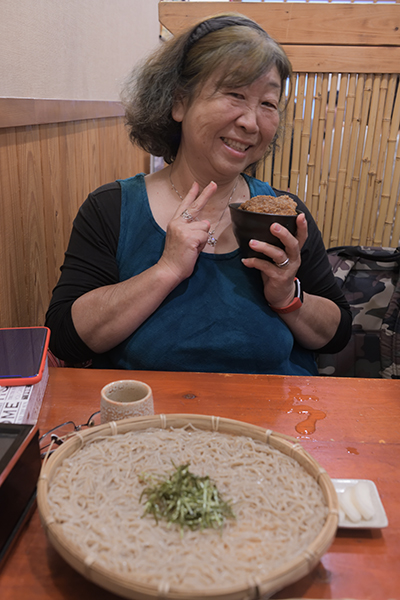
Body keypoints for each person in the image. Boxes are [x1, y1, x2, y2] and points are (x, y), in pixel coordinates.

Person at [45, 13, 352, 375]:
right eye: (235, 94)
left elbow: (336, 334)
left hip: (272, 419)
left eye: (268, 103)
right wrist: (166, 270)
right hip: (149, 422)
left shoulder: (282, 213)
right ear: (179, 102)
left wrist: (288, 297)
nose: (251, 122)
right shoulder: (112, 208)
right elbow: (64, 337)